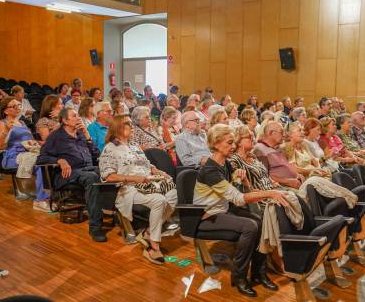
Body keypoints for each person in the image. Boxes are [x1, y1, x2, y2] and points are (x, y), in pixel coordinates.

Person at [194, 124, 289, 297]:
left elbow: (241, 192)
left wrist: (244, 181)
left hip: (224, 209)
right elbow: (238, 198)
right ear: (216, 144)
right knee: (250, 226)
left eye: (234, 142)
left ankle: (258, 272)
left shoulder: (225, 164)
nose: (233, 146)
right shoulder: (210, 169)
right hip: (207, 216)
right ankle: (239, 277)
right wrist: (271, 193)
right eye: (230, 143)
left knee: (260, 220)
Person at [100, 115, 177, 264]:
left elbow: (147, 165)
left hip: (148, 184)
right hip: (128, 189)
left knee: (173, 194)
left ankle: (148, 233)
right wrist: (136, 179)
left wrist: (159, 172)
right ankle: (154, 247)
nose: (133, 126)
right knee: (159, 200)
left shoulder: (134, 145)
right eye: (128, 124)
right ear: (118, 128)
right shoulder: (110, 149)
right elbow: (108, 176)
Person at [37, 108, 105, 242]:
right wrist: (59, 160)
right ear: (65, 120)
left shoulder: (81, 134)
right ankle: (95, 227)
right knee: (92, 178)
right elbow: (41, 158)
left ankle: (116, 212)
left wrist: (87, 136)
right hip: (68, 174)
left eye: (78, 115)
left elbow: (96, 155)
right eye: (74, 116)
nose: (78, 118)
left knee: (108, 173)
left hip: (88, 168)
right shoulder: (56, 136)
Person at [0, 97, 51, 209]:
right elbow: (0, 146)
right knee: (40, 164)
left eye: (18, 105)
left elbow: (30, 141)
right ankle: (40, 200)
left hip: (29, 152)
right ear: (5, 111)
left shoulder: (22, 123)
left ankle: (51, 195)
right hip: (12, 156)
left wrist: (38, 143)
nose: (17, 108)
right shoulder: (0, 124)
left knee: (50, 160)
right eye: (14, 106)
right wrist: (7, 130)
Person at [253, 121, 304, 189]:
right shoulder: (260, 150)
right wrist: (287, 181)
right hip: (282, 188)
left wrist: (296, 174)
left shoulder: (277, 148)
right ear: (271, 133)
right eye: (281, 132)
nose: (284, 135)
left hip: (295, 184)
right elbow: (264, 176)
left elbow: (285, 166)